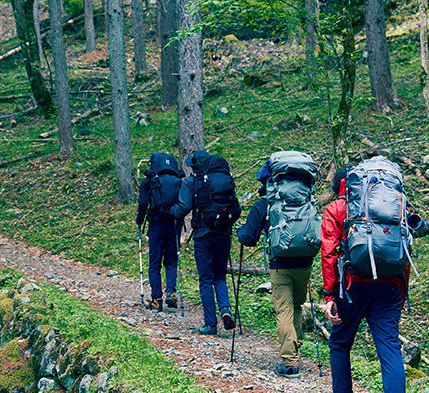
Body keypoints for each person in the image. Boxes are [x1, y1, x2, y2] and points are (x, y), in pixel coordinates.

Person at [319, 165, 409, 393]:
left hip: (352, 285)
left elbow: (329, 252)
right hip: (390, 285)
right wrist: (401, 293)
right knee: (390, 348)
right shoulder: (397, 204)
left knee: (340, 343)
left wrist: (329, 296)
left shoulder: (337, 208)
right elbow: (405, 248)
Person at [237, 152, 319, 378]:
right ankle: (295, 346)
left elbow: (249, 238)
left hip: (280, 264)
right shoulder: (307, 200)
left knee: (283, 309)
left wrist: (239, 233)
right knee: (296, 305)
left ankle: (290, 362)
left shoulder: (264, 204)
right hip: (305, 262)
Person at [171, 150, 241, 336]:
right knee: (220, 276)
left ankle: (210, 324)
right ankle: (225, 309)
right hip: (224, 233)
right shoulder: (223, 178)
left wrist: (172, 213)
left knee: (205, 280)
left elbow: (184, 207)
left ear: (195, 165)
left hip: (203, 235)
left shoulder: (191, 181)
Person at [136, 152, 183, 311]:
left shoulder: (148, 181)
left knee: (154, 264)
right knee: (171, 261)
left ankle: (156, 299)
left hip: (156, 226)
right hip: (174, 225)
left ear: (153, 164)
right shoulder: (178, 181)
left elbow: (143, 203)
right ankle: (171, 292)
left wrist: (139, 220)